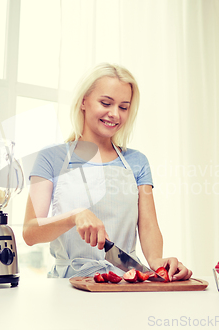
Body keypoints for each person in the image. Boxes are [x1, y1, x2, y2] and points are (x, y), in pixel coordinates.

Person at [22, 63, 192, 281]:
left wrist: (158, 263)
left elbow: (148, 226)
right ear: (83, 101)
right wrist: (74, 216)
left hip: (125, 284)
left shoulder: (137, 162)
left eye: (123, 107)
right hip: (69, 287)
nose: (114, 114)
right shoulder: (51, 158)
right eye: (106, 103)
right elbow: (30, 232)